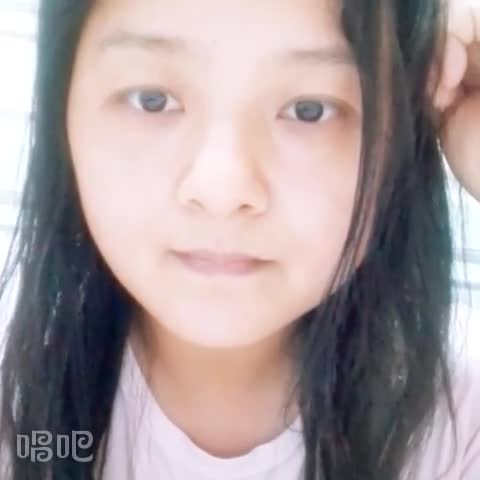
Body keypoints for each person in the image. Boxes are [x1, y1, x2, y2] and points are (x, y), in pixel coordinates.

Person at [0, 0, 479, 479]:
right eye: (152, 99)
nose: (222, 191)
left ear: (405, 134)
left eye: (308, 110)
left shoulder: (455, 430)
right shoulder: (14, 401)